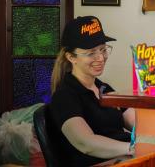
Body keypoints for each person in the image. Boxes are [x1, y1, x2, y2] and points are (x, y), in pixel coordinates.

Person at [48, 16, 135, 166]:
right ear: (71, 57)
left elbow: (137, 123)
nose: (101, 58)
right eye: (91, 53)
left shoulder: (104, 89)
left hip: (125, 158)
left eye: (103, 49)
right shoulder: (64, 96)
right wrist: (132, 148)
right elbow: (86, 143)